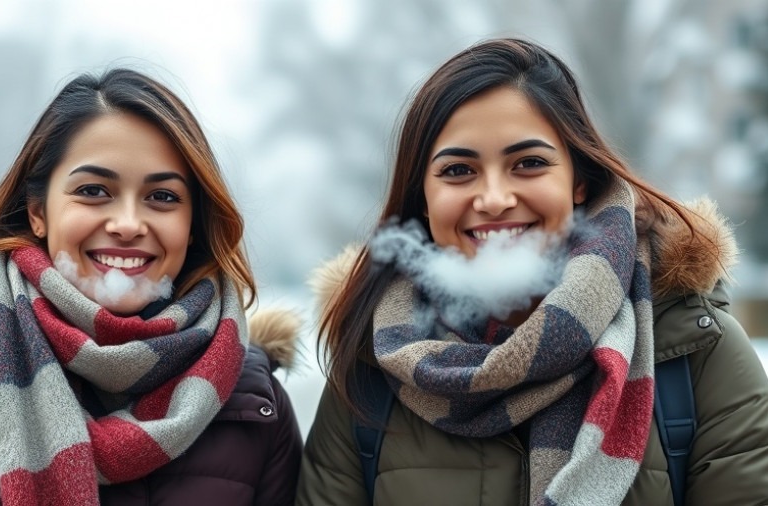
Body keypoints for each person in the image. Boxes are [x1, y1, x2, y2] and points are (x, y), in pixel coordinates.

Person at [296, 38, 768, 505]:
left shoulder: (695, 347)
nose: (495, 199)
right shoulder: (368, 367)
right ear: (423, 197)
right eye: (458, 171)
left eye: (529, 163)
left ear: (578, 180)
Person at [0, 67, 302, 505]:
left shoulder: (255, 404)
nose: (129, 224)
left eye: (163, 197)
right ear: (38, 211)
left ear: (193, 225)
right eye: (94, 190)